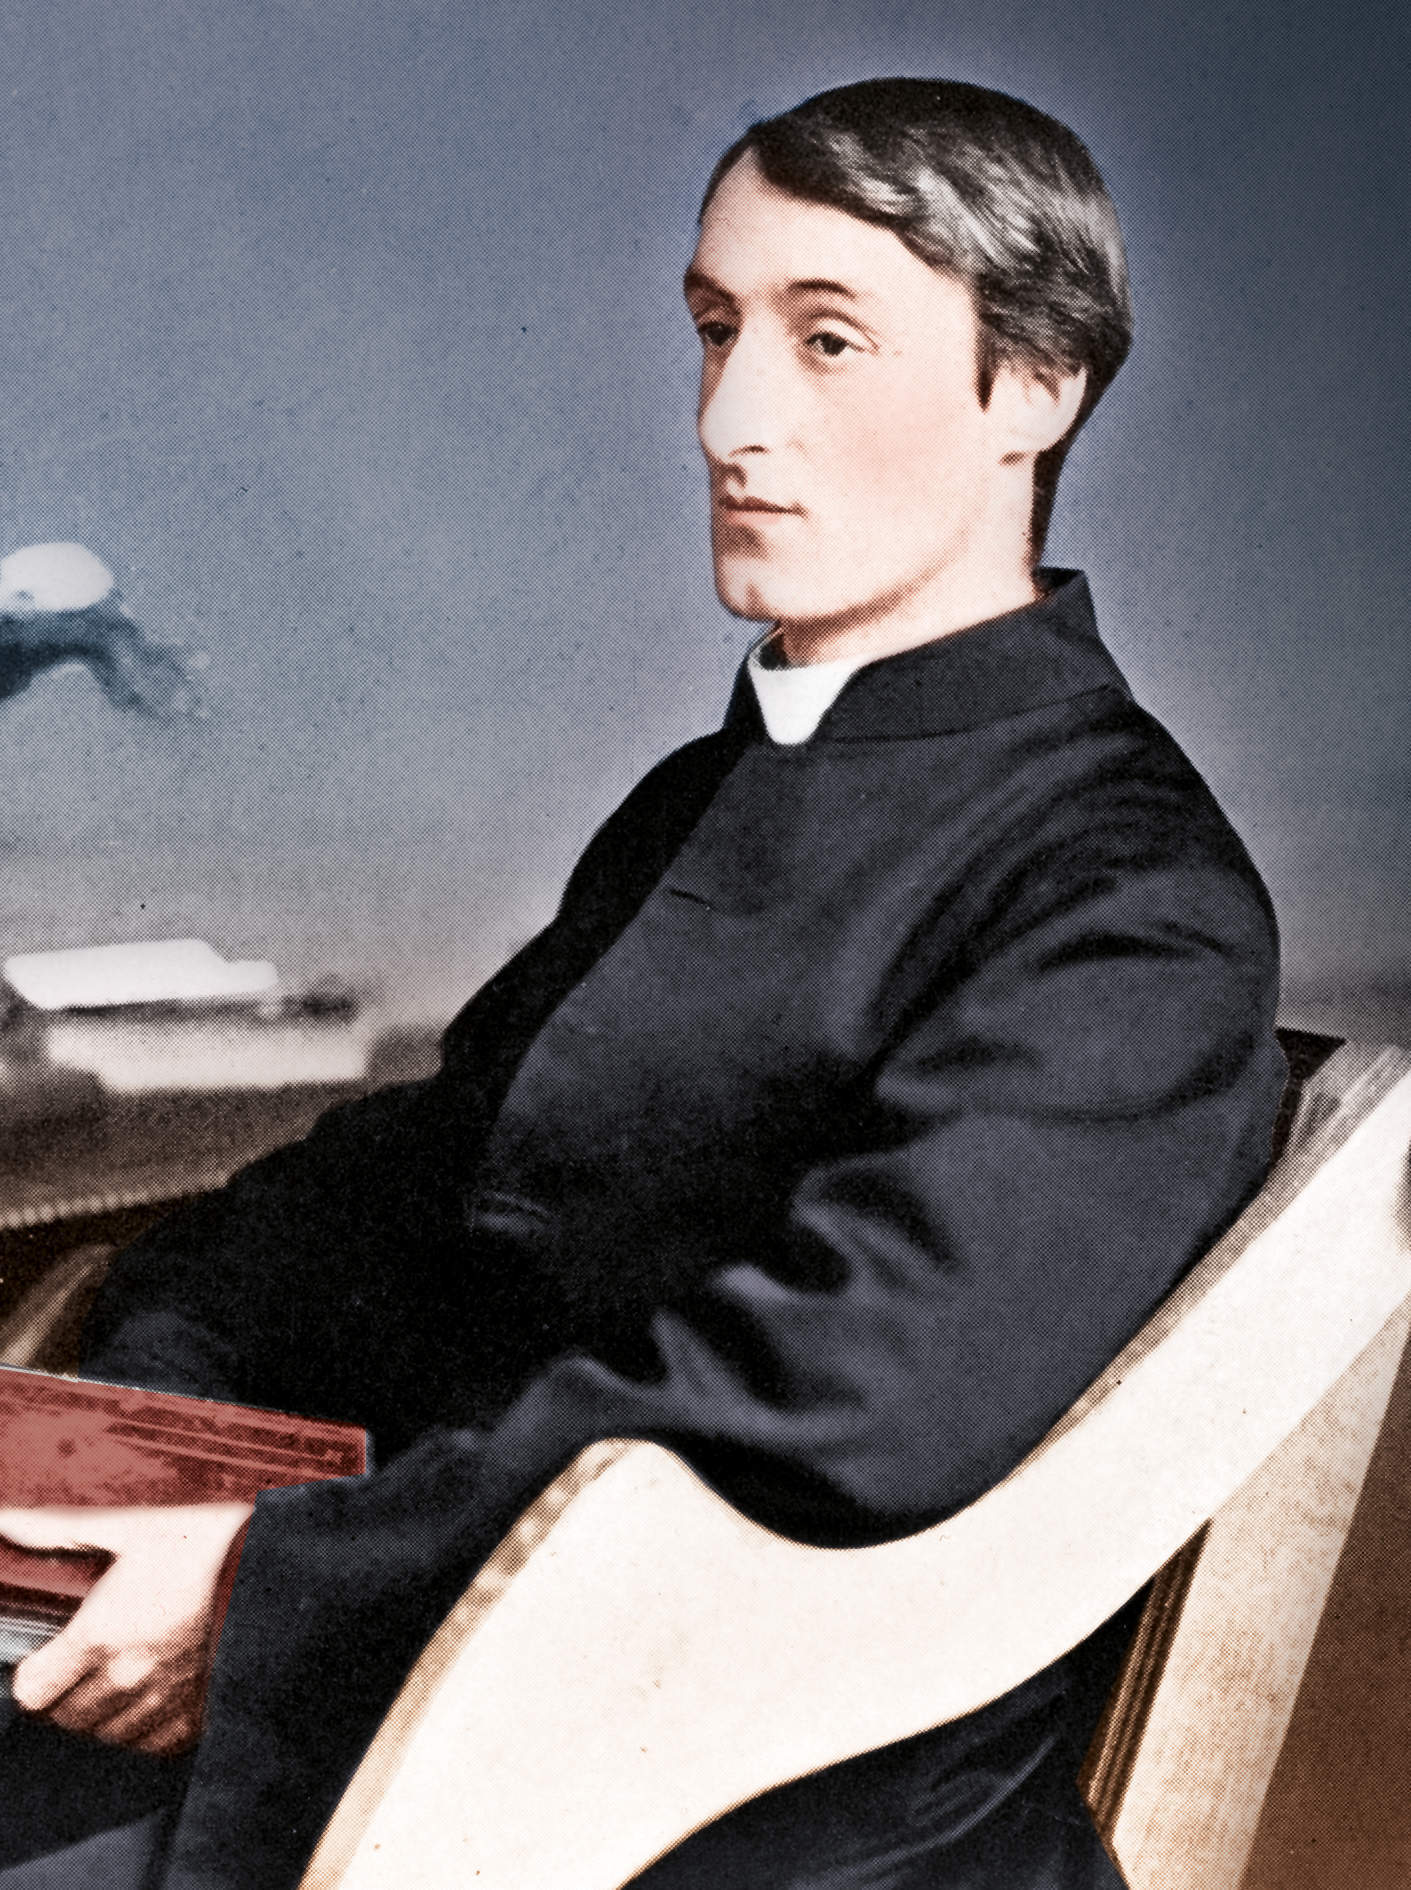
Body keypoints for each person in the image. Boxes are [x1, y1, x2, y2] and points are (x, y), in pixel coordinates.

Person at [0, 78, 1285, 1889]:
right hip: (428, 1664)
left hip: (711, 1803)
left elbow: (827, 1407)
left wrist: (264, 1576)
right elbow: (417, 1178)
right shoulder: (709, 792)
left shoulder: (1127, 891)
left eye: (827, 339)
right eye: (714, 329)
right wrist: (161, 1417)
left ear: (1037, 387)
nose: (731, 417)